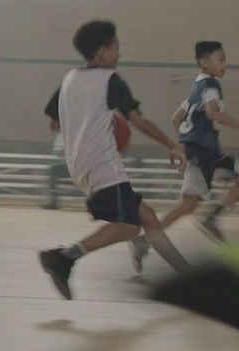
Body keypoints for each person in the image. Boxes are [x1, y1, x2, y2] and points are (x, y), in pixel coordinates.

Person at [38, 20, 192, 299]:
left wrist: (87, 124)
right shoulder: (111, 80)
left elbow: (54, 123)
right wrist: (173, 145)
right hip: (102, 163)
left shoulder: (70, 78)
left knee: (149, 219)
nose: (119, 54)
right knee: (128, 226)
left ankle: (187, 276)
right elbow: (139, 122)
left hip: (79, 164)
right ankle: (64, 257)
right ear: (101, 52)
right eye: (115, 48)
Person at [130, 41, 239, 269]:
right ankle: (153, 237)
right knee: (197, 201)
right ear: (204, 62)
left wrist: (183, 145)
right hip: (204, 154)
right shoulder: (211, 85)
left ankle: (205, 219)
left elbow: (176, 118)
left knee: (235, 186)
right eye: (220, 59)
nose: (225, 64)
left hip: (203, 152)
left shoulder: (195, 88)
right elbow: (214, 114)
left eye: (225, 59)